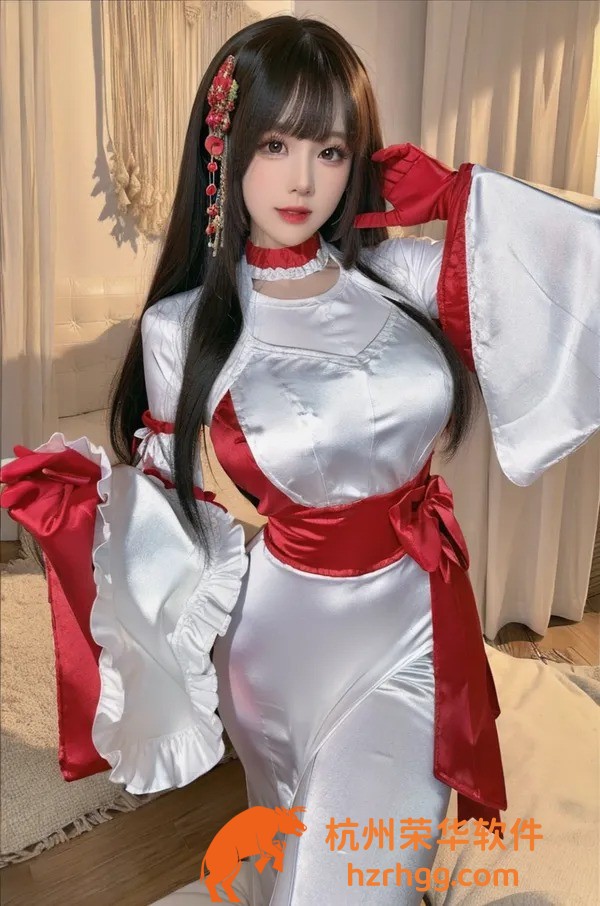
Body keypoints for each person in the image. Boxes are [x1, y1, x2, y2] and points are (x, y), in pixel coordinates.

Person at [1, 14, 599, 906]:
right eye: (275, 144)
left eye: (330, 150)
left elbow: (580, 276)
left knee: (353, 879)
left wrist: (469, 198)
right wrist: (83, 518)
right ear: (224, 149)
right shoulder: (182, 327)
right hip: (276, 643)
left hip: (418, 622)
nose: (303, 179)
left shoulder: (401, 275)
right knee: (294, 853)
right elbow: (170, 522)